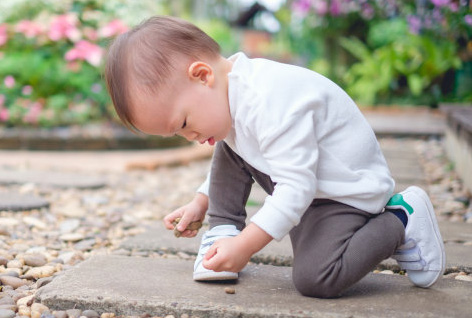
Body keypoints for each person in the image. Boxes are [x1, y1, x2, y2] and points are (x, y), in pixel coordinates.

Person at [104, 15, 446, 298]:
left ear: (202, 75)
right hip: (309, 184)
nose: (190, 138)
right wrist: (201, 201)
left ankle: (400, 219)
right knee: (223, 137)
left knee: (317, 278)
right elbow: (244, 151)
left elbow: (296, 186)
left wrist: (247, 245)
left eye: (182, 124)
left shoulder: (270, 100)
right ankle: (221, 231)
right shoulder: (229, 96)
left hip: (344, 194)